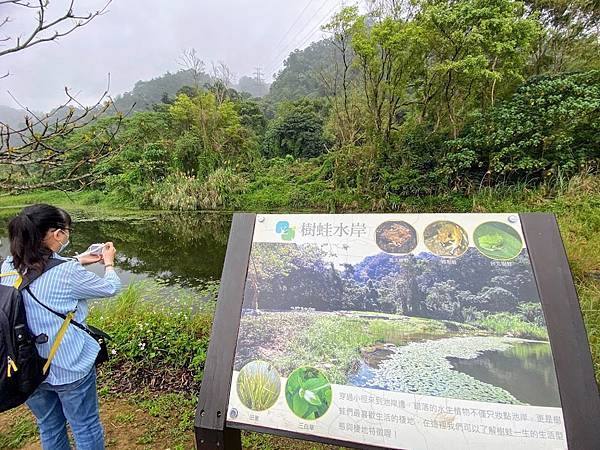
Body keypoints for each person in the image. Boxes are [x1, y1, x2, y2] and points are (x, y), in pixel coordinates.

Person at [0, 204, 121, 450]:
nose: (67, 234)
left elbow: (38, 270)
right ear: (57, 234)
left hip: (27, 368)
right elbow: (111, 288)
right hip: (68, 367)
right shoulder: (68, 272)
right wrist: (108, 263)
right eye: (66, 230)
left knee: (49, 425)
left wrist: (79, 259)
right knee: (85, 426)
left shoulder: (6, 268)